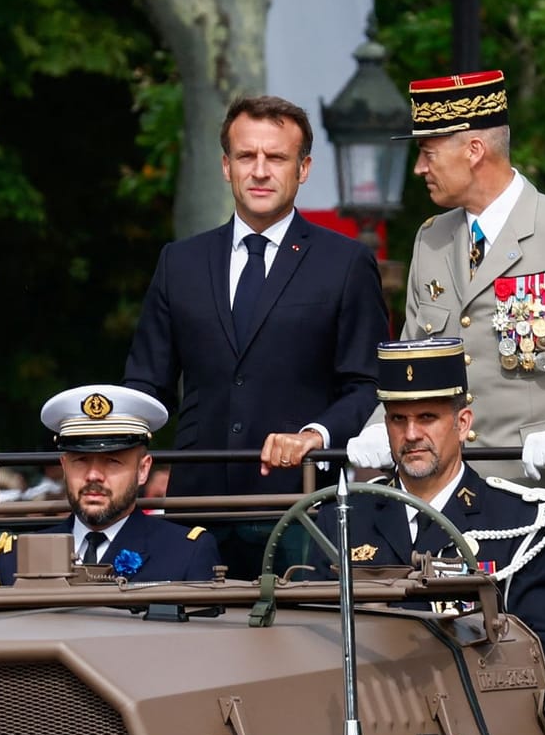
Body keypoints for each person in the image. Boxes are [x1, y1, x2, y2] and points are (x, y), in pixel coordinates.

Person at [346, 71, 545, 502]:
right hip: (453, 500)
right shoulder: (431, 239)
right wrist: (377, 429)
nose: (420, 167)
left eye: (428, 152)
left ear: (474, 150)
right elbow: (414, 362)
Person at [123, 95, 387, 496]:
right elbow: (146, 386)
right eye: (247, 156)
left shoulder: (345, 262)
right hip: (197, 499)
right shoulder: (179, 262)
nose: (260, 171)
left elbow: (367, 384)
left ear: (304, 169)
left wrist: (316, 435)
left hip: (301, 499)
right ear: (227, 166)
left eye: (277, 158)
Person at [312, 339, 545, 668]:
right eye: (399, 419)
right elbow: (309, 636)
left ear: (463, 423)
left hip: (478, 707)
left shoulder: (521, 523)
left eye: (427, 417)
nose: (411, 434)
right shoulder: (343, 521)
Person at [0, 385, 221, 585]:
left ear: (143, 469)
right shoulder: (13, 558)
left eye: (112, 461)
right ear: (64, 467)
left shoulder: (185, 553)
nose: (93, 475)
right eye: (80, 461)